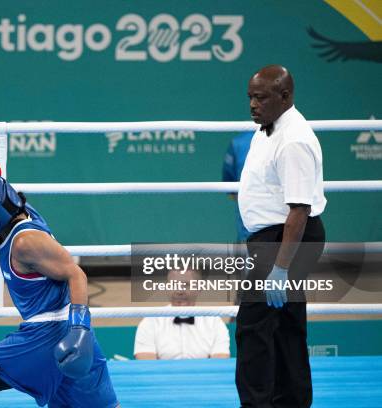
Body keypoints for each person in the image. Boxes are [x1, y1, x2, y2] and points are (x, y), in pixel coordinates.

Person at [0, 161, 119, 408]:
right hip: (69, 331)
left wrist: (79, 329)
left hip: (46, 335)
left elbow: (76, 274)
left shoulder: (25, 242)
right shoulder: (18, 207)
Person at [236, 65, 326, 408]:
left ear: (285, 96)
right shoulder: (268, 128)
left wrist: (281, 267)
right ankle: (292, 402)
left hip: (285, 240)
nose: (253, 105)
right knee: (286, 327)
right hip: (278, 238)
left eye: (260, 97)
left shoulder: (294, 140)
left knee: (253, 329)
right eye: (250, 98)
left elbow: (299, 210)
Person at [134, 269, 230, 360]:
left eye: (186, 285)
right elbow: (147, 367)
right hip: (162, 378)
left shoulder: (214, 322)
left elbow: (218, 365)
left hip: (203, 377)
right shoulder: (151, 321)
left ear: (199, 287)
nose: (179, 291)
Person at [222, 131, 254, 242]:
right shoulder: (238, 143)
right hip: (249, 224)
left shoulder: (238, 142)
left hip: (278, 219)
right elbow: (229, 184)